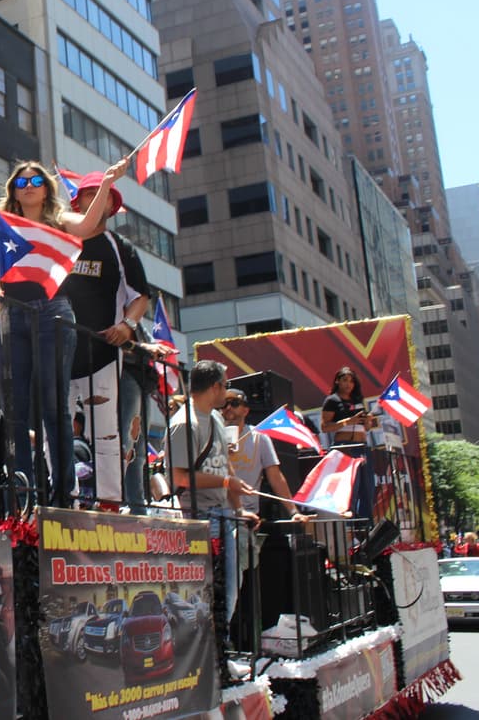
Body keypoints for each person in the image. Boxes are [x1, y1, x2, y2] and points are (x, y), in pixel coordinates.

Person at [0, 160, 127, 507]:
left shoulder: (59, 220)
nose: (29, 185)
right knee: (14, 409)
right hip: (12, 316)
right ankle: (22, 494)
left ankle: (63, 495)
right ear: (13, 191)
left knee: (54, 406)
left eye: (36, 180)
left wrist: (106, 183)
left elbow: (88, 224)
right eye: (21, 182)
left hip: (53, 315)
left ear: (46, 188)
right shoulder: (6, 223)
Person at [61, 171, 153, 513]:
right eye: (89, 195)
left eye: (104, 197)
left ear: (111, 207)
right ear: (77, 202)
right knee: (58, 430)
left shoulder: (120, 247)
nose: (96, 202)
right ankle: (63, 497)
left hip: (102, 353)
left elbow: (141, 295)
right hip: (60, 353)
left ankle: (110, 501)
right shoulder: (61, 238)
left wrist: (128, 326)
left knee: (107, 432)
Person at [169, 361, 258, 625]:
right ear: (216, 386)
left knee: (229, 589)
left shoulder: (217, 418)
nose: (226, 392)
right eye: (226, 385)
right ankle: (216, 656)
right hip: (198, 516)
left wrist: (238, 507)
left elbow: (224, 464)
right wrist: (226, 483)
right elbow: (180, 476)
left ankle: (223, 652)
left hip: (223, 514)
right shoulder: (184, 423)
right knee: (207, 593)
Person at [223, 388, 307, 521]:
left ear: (246, 410)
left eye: (234, 403)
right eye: (224, 403)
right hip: (216, 510)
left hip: (247, 513)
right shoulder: (213, 435)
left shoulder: (259, 438)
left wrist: (293, 512)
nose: (228, 407)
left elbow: (275, 477)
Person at [320, 367, 377, 518]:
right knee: (351, 487)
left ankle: (366, 524)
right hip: (345, 447)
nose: (348, 384)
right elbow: (325, 427)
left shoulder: (358, 400)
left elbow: (366, 427)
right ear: (337, 381)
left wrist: (368, 422)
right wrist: (347, 421)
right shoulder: (332, 400)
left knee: (368, 487)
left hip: (362, 447)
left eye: (351, 381)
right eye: (345, 380)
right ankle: (351, 524)